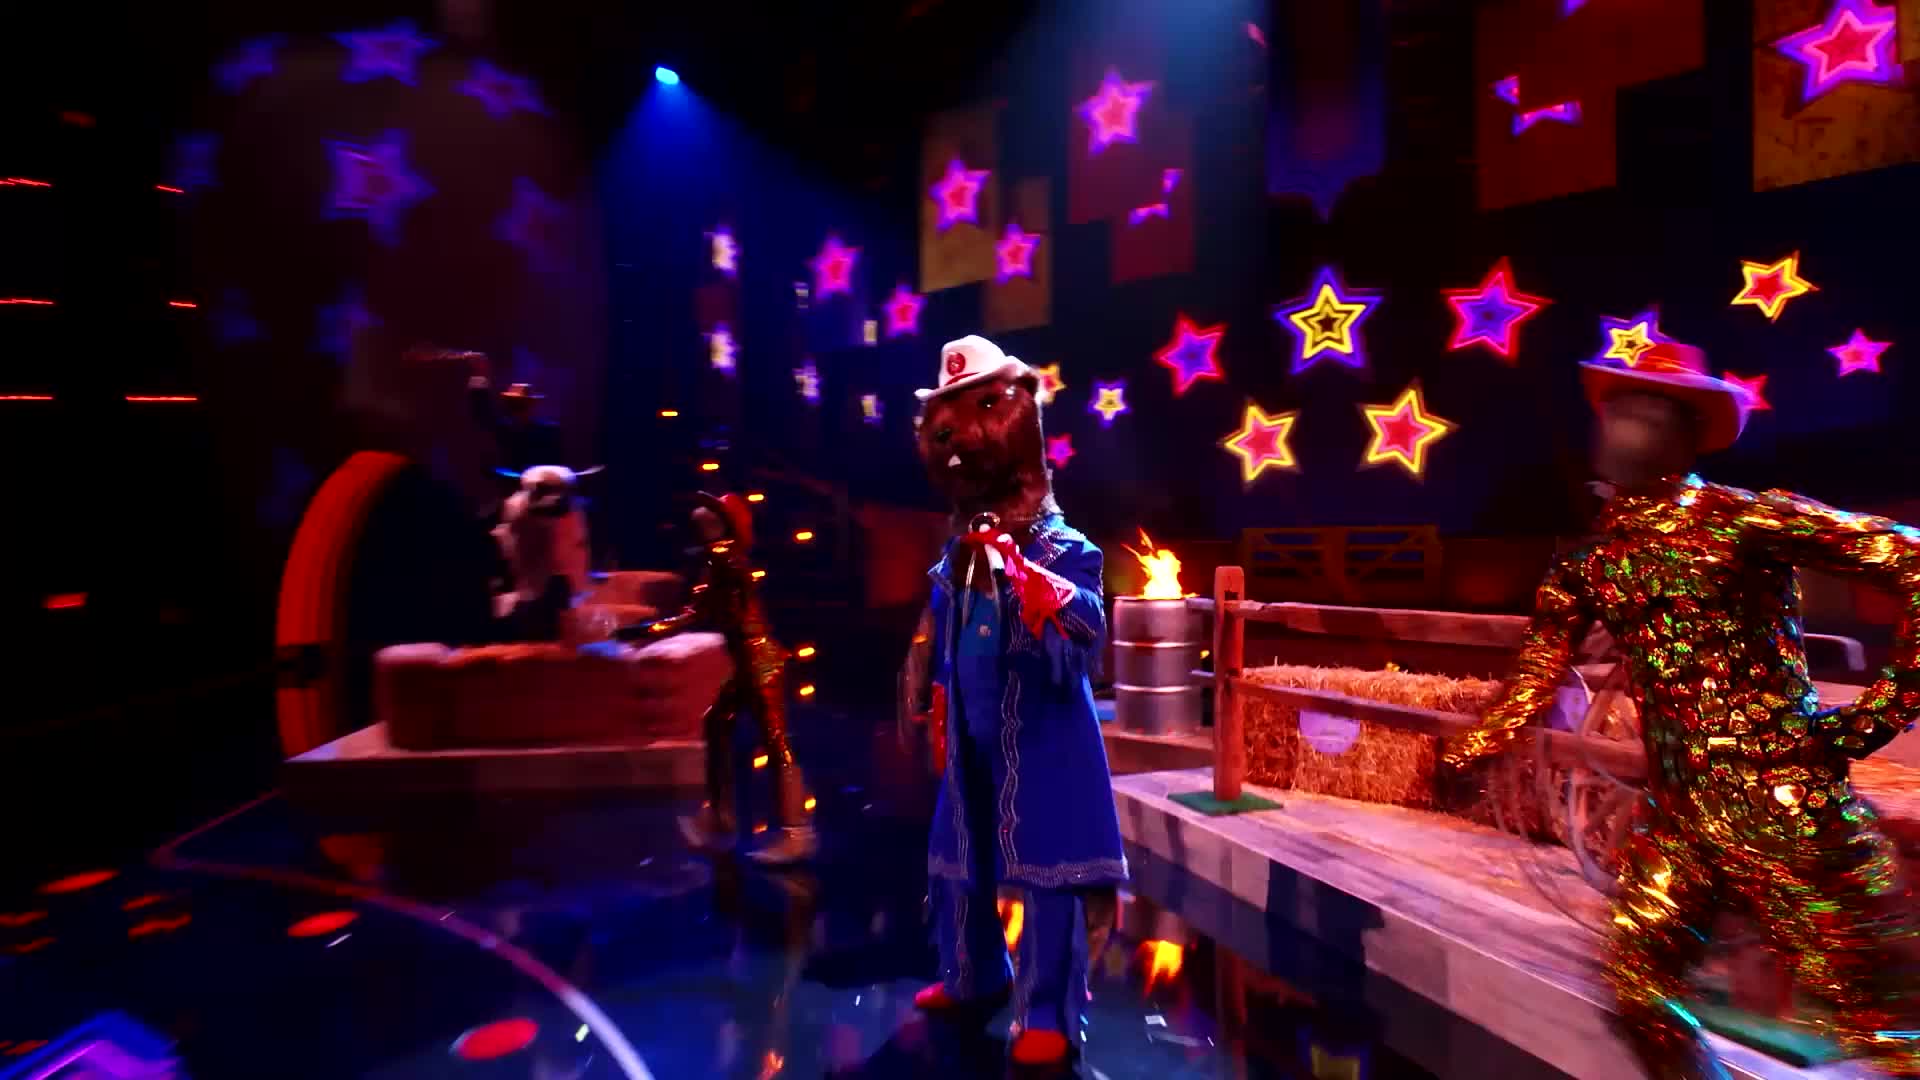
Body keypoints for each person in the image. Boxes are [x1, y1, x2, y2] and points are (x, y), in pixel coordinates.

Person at [1442, 341, 1920, 1079]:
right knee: (1640, 990)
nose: (1626, 431)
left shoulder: (1745, 521)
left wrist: (1875, 718)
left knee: (1886, 1019)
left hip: (1786, 803)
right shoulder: (1592, 563)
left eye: (1650, 416)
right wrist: (1475, 747)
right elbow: (1537, 672)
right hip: (1680, 816)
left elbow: (1910, 558)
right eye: (1618, 413)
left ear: (1687, 437)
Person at [907, 335, 1126, 1071]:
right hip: (972, 731)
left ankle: (1048, 1011)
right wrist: (929, 685)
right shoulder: (959, 551)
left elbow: (1086, 625)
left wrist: (1029, 577)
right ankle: (971, 975)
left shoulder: (1064, 547)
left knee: (1048, 870)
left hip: (1040, 735)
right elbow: (943, 624)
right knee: (958, 855)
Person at [647, 492, 817, 866]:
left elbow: (697, 610)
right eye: (700, 523)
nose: (702, 528)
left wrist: (645, 630)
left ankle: (795, 833)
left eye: (709, 522)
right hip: (748, 662)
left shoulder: (725, 560)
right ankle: (720, 818)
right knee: (717, 723)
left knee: (775, 743)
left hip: (760, 661)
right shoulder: (721, 560)